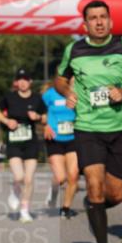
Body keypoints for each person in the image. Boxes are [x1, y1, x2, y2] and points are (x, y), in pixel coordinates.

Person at [55, 1, 122, 243]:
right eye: (93, 18)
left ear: (110, 21)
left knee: (115, 195)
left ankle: (94, 206)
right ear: (85, 24)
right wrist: (66, 92)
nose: (98, 22)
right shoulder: (74, 49)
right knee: (95, 186)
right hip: (88, 128)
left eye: (103, 17)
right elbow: (60, 79)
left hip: (119, 129)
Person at [0, 69, 46, 223]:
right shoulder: (10, 97)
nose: (23, 82)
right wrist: (7, 121)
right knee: (19, 177)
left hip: (30, 141)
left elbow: (45, 117)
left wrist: (37, 116)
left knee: (29, 180)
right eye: (20, 79)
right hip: (14, 141)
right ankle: (15, 192)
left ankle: (24, 210)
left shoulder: (37, 98)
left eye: (25, 79)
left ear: (30, 81)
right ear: (16, 82)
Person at [41, 80, 79, 218]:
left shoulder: (80, 93)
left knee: (73, 175)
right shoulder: (50, 94)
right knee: (61, 177)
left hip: (74, 138)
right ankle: (53, 192)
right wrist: (45, 124)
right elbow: (40, 110)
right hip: (54, 138)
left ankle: (65, 208)